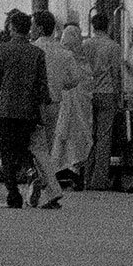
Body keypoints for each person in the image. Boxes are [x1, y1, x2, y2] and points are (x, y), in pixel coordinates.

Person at [0, 9, 50, 209]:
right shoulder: (37, 53)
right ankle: (31, 173)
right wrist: (42, 110)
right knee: (23, 148)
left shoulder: (4, 49)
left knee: (6, 151)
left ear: (12, 27)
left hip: (5, 108)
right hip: (28, 110)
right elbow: (42, 85)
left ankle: (14, 196)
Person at [39, 12, 92, 198]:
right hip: (74, 108)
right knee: (75, 137)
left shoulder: (50, 52)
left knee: (52, 140)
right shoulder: (78, 60)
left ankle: (51, 175)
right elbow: (77, 81)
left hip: (56, 103)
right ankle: (74, 171)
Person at [83, 11, 125, 192]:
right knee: (104, 137)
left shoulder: (85, 45)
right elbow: (116, 74)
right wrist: (119, 97)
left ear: (93, 26)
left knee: (89, 136)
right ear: (108, 26)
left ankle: (85, 176)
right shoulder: (113, 47)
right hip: (107, 93)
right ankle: (99, 180)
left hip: (89, 93)